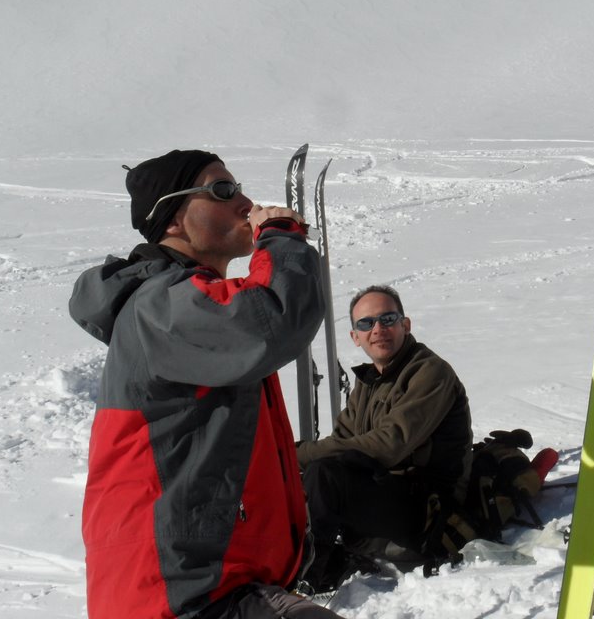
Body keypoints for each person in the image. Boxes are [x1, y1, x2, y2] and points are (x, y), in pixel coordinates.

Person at [69, 149, 343, 619]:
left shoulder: (194, 303)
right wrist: (279, 238)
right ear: (172, 220)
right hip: (176, 596)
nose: (245, 202)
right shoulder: (163, 306)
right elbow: (273, 320)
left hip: (214, 584)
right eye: (222, 190)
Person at [295, 285, 473, 592]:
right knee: (307, 475)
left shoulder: (429, 372)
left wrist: (298, 453)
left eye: (387, 318)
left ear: (405, 325)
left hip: (428, 510)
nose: (378, 329)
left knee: (324, 475)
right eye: (366, 323)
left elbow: (388, 445)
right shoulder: (369, 380)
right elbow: (342, 443)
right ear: (355, 336)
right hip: (388, 495)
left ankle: (305, 583)